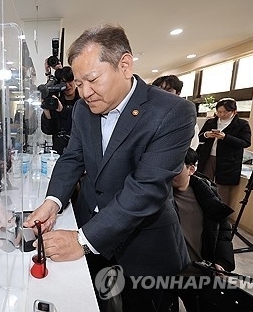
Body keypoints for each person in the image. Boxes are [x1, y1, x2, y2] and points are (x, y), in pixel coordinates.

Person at [24, 24, 196, 312]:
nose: (85, 92)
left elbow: (146, 188)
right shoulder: (82, 109)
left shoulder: (172, 111)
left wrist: (82, 239)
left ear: (125, 65)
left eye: (92, 79)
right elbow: (72, 158)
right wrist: (52, 202)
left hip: (144, 244)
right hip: (91, 231)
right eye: (78, 83)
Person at [171, 148, 235, 311]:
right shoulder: (158, 196)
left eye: (176, 167)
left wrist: (222, 262)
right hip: (166, 277)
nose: (169, 172)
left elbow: (223, 231)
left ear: (191, 169)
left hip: (199, 275)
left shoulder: (206, 194)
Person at [197, 98, 251, 205]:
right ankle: (203, 210)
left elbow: (245, 142)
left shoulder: (242, 124)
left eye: (225, 112)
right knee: (204, 183)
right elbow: (199, 137)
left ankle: (220, 216)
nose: (221, 114)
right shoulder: (211, 122)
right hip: (208, 157)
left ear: (234, 112)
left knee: (222, 189)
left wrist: (225, 137)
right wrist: (206, 135)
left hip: (228, 161)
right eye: (219, 112)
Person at [40, 65, 81, 155]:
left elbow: (81, 120)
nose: (67, 85)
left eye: (70, 80)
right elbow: (48, 130)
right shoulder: (55, 102)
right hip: (58, 152)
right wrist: (47, 111)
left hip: (79, 152)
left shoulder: (82, 101)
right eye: (63, 82)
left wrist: (63, 110)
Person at [152, 74, 200, 150]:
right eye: (159, 90)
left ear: (178, 93)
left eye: (168, 90)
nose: (163, 94)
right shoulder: (148, 113)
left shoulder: (186, 118)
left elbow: (191, 146)